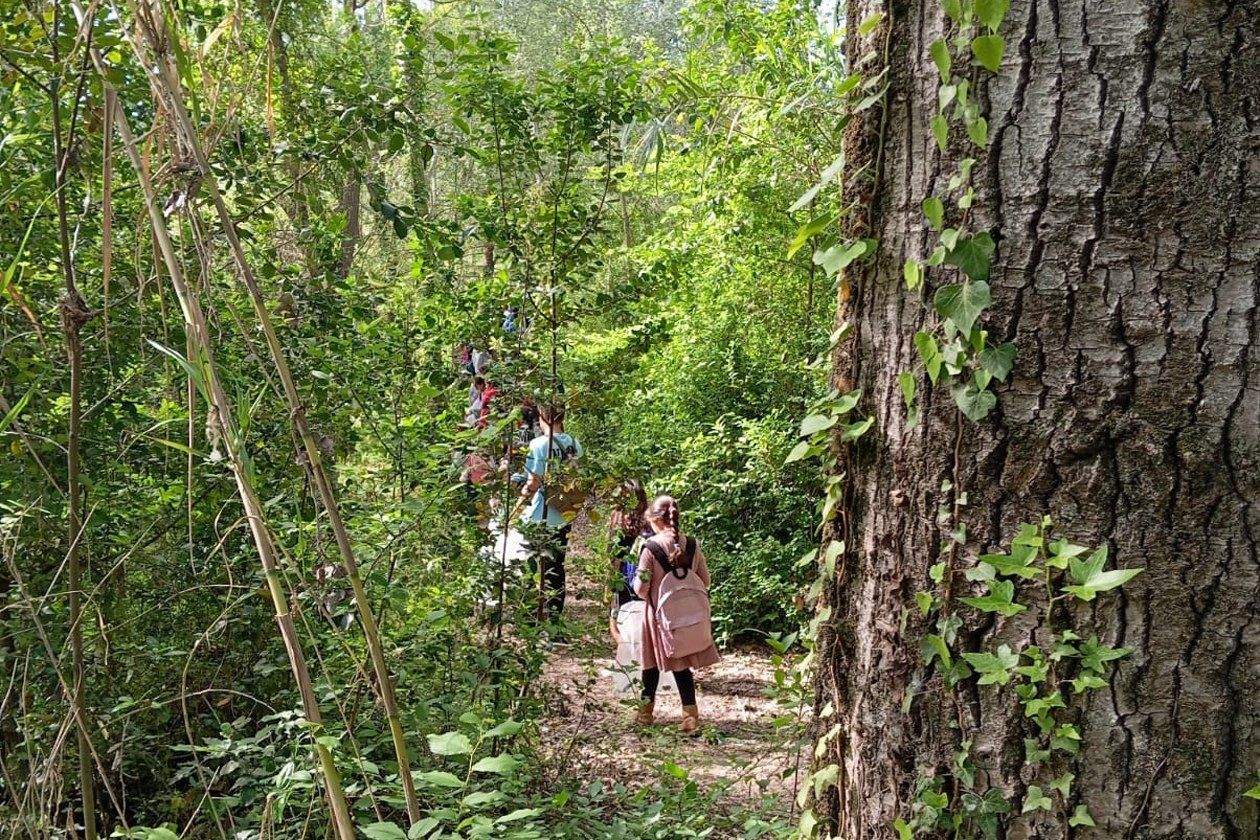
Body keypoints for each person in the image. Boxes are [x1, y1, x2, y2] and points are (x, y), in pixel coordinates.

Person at [633, 495, 718, 735]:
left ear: (655, 520)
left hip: (657, 615)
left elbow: (640, 588)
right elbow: (706, 580)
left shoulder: (650, 548)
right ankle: (690, 716)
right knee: (681, 665)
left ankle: (645, 713)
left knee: (650, 664)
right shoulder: (691, 544)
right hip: (686, 614)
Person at [515, 403, 583, 627]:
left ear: (542, 417)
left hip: (539, 514)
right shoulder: (575, 444)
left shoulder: (538, 444)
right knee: (556, 565)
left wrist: (520, 499)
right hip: (563, 513)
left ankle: (531, 616)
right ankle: (554, 617)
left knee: (531, 563)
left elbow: (533, 482)